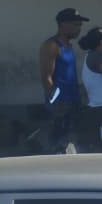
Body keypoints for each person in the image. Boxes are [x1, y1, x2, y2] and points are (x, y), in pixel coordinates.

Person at [39, 8, 88, 153]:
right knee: (57, 143)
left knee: (72, 143)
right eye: (75, 24)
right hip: (60, 104)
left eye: (80, 25)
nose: (78, 28)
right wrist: (55, 103)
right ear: (63, 25)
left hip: (74, 100)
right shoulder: (52, 46)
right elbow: (45, 77)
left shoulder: (69, 46)